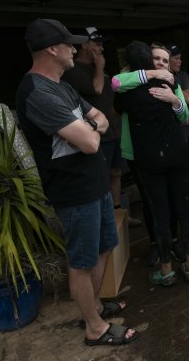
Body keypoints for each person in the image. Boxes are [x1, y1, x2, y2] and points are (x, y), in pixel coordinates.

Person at [16, 19, 137, 346]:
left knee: (103, 247)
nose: (76, 49)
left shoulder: (62, 85)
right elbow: (89, 142)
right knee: (81, 263)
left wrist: (87, 125)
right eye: (70, 44)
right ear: (52, 49)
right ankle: (94, 328)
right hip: (73, 190)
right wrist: (88, 128)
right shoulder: (37, 92)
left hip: (94, 183)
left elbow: (99, 117)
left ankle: (95, 306)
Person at [114, 41, 189, 286]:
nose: (161, 63)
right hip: (178, 155)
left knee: (160, 212)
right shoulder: (167, 81)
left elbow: (116, 87)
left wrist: (174, 100)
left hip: (150, 159)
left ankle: (166, 270)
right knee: (184, 208)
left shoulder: (126, 94)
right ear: (149, 63)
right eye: (156, 59)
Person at [61, 26, 141, 227]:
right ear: (84, 45)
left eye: (102, 43)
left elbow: (108, 96)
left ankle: (118, 214)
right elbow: (96, 89)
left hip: (113, 132)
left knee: (116, 174)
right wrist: (99, 66)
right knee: (101, 177)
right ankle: (104, 219)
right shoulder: (73, 72)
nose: (101, 48)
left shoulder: (99, 69)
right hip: (97, 136)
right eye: (97, 43)